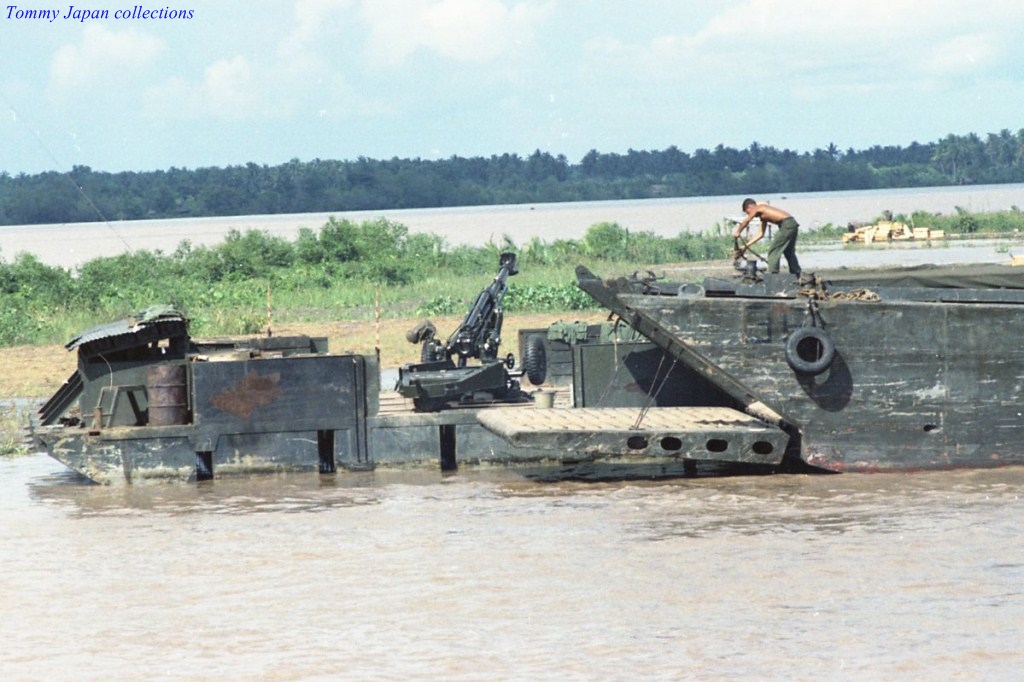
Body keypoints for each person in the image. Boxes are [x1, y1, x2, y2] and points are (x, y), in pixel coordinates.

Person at [733, 198, 801, 276]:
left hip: (786, 224)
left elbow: (747, 221)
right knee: (788, 251)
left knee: (773, 250)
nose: (749, 214)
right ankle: (797, 273)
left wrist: (738, 231)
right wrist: (746, 246)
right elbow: (760, 234)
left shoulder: (758, 207)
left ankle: (773, 274)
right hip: (791, 224)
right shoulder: (763, 215)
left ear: (749, 207)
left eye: (747, 212)